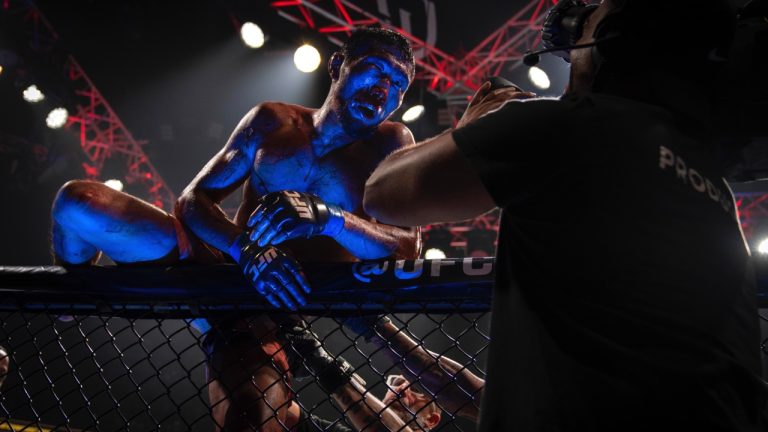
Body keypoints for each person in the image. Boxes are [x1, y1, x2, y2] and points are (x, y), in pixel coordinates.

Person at [363, 1, 768, 431]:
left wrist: (475, 123)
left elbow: (385, 195)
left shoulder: (566, 125)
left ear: (610, 44)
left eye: (583, 34)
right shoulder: (709, 182)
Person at [50, 26, 421, 431]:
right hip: (220, 268)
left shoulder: (391, 144)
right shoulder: (273, 121)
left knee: (252, 416)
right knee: (78, 203)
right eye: (375, 70)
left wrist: (330, 218)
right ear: (337, 66)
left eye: (398, 84)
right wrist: (246, 249)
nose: (384, 88)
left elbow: (407, 247)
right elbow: (193, 200)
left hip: (273, 316)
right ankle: (71, 297)